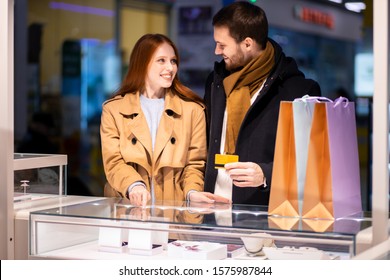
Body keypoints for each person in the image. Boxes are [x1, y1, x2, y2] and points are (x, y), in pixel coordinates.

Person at [203, 2, 321, 205]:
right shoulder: (216, 82)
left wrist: (266, 173)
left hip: (265, 214)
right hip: (213, 207)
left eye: (222, 45)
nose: (216, 51)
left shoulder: (298, 91)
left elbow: (312, 158)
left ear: (247, 44)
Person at [100, 33, 229, 206]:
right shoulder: (113, 110)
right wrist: (134, 185)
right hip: (127, 209)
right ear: (142, 63)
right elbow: (113, 162)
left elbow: (195, 164)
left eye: (173, 61)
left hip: (173, 212)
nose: (170, 67)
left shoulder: (193, 110)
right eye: (161, 60)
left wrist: (192, 192)